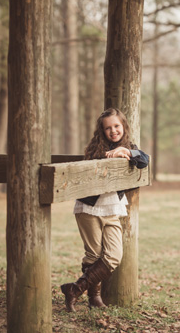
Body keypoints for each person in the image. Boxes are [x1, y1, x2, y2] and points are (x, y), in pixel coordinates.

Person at [60, 108, 149, 312]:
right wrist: (111, 157)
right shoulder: (96, 149)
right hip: (89, 208)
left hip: (112, 208)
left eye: (116, 126)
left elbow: (144, 160)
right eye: (108, 128)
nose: (113, 131)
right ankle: (95, 298)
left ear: (123, 127)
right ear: (102, 131)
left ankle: (74, 289)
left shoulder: (129, 147)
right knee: (93, 255)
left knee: (114, 255)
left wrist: (127, 152)